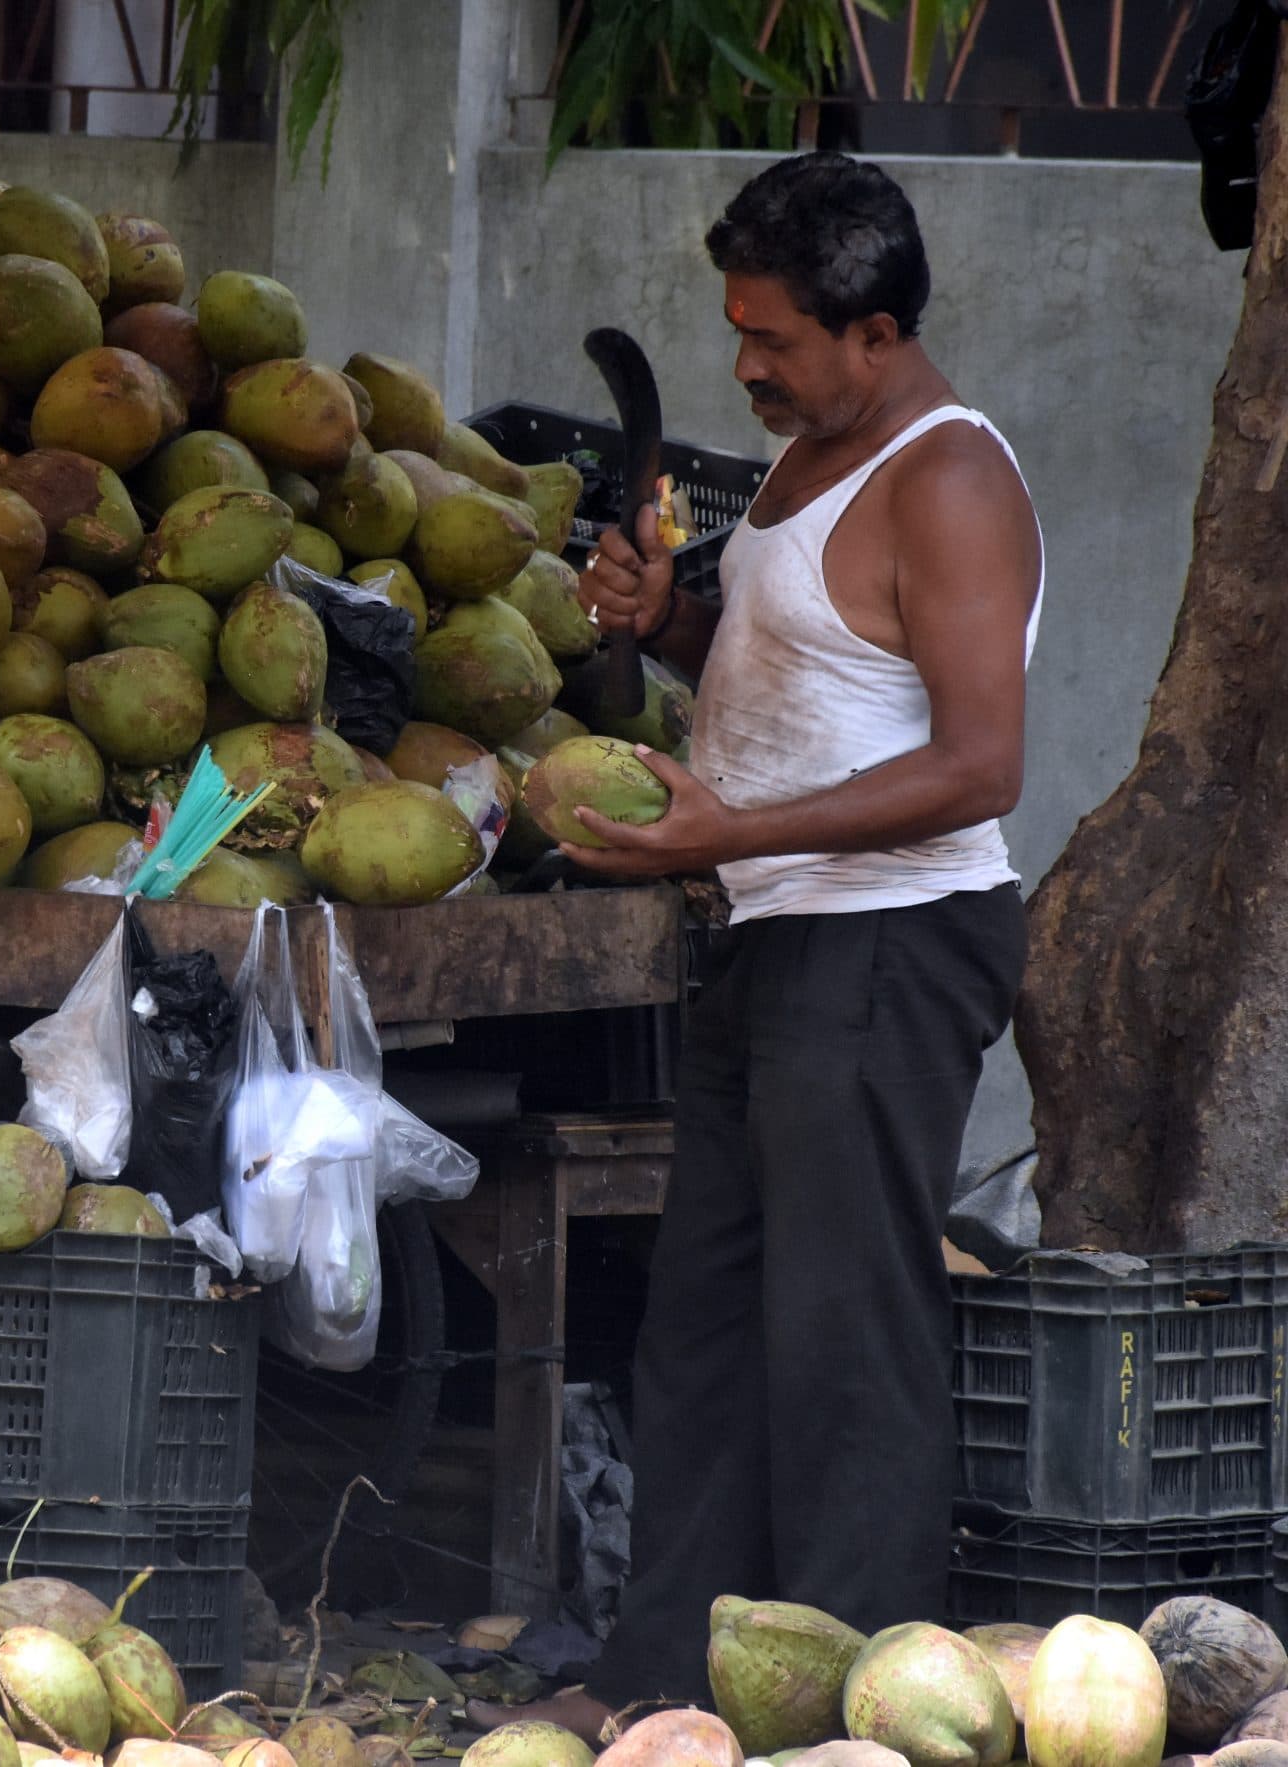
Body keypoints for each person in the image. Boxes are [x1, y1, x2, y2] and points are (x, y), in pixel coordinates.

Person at [477, 153, 1043, 1734]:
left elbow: (980, 763)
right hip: (777, 940)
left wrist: (728, 834)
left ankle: (868, 1702)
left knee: (845, 1332)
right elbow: (802, 668)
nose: (746, 365)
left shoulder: (949, 478)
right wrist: (664, 621)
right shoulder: (811, 461)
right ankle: (669, 1680)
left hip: (887, 947)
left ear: (872, 332)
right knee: (706, 1321)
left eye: (775, 339)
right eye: (735, 330)